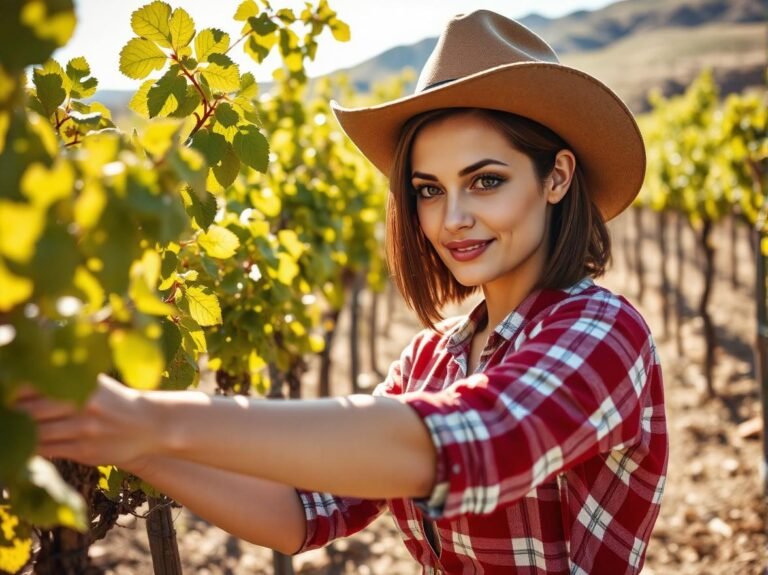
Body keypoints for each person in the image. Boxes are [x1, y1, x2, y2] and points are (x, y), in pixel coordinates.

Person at [16, 10, 668, 574]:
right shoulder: (432, 360)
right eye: (428, 189)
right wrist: (134, 446)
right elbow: (303, 509)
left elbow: (466, 438)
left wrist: (153, 416)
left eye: (486, 180)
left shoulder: (604, 331)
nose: (452, 218)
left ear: (556, 178)